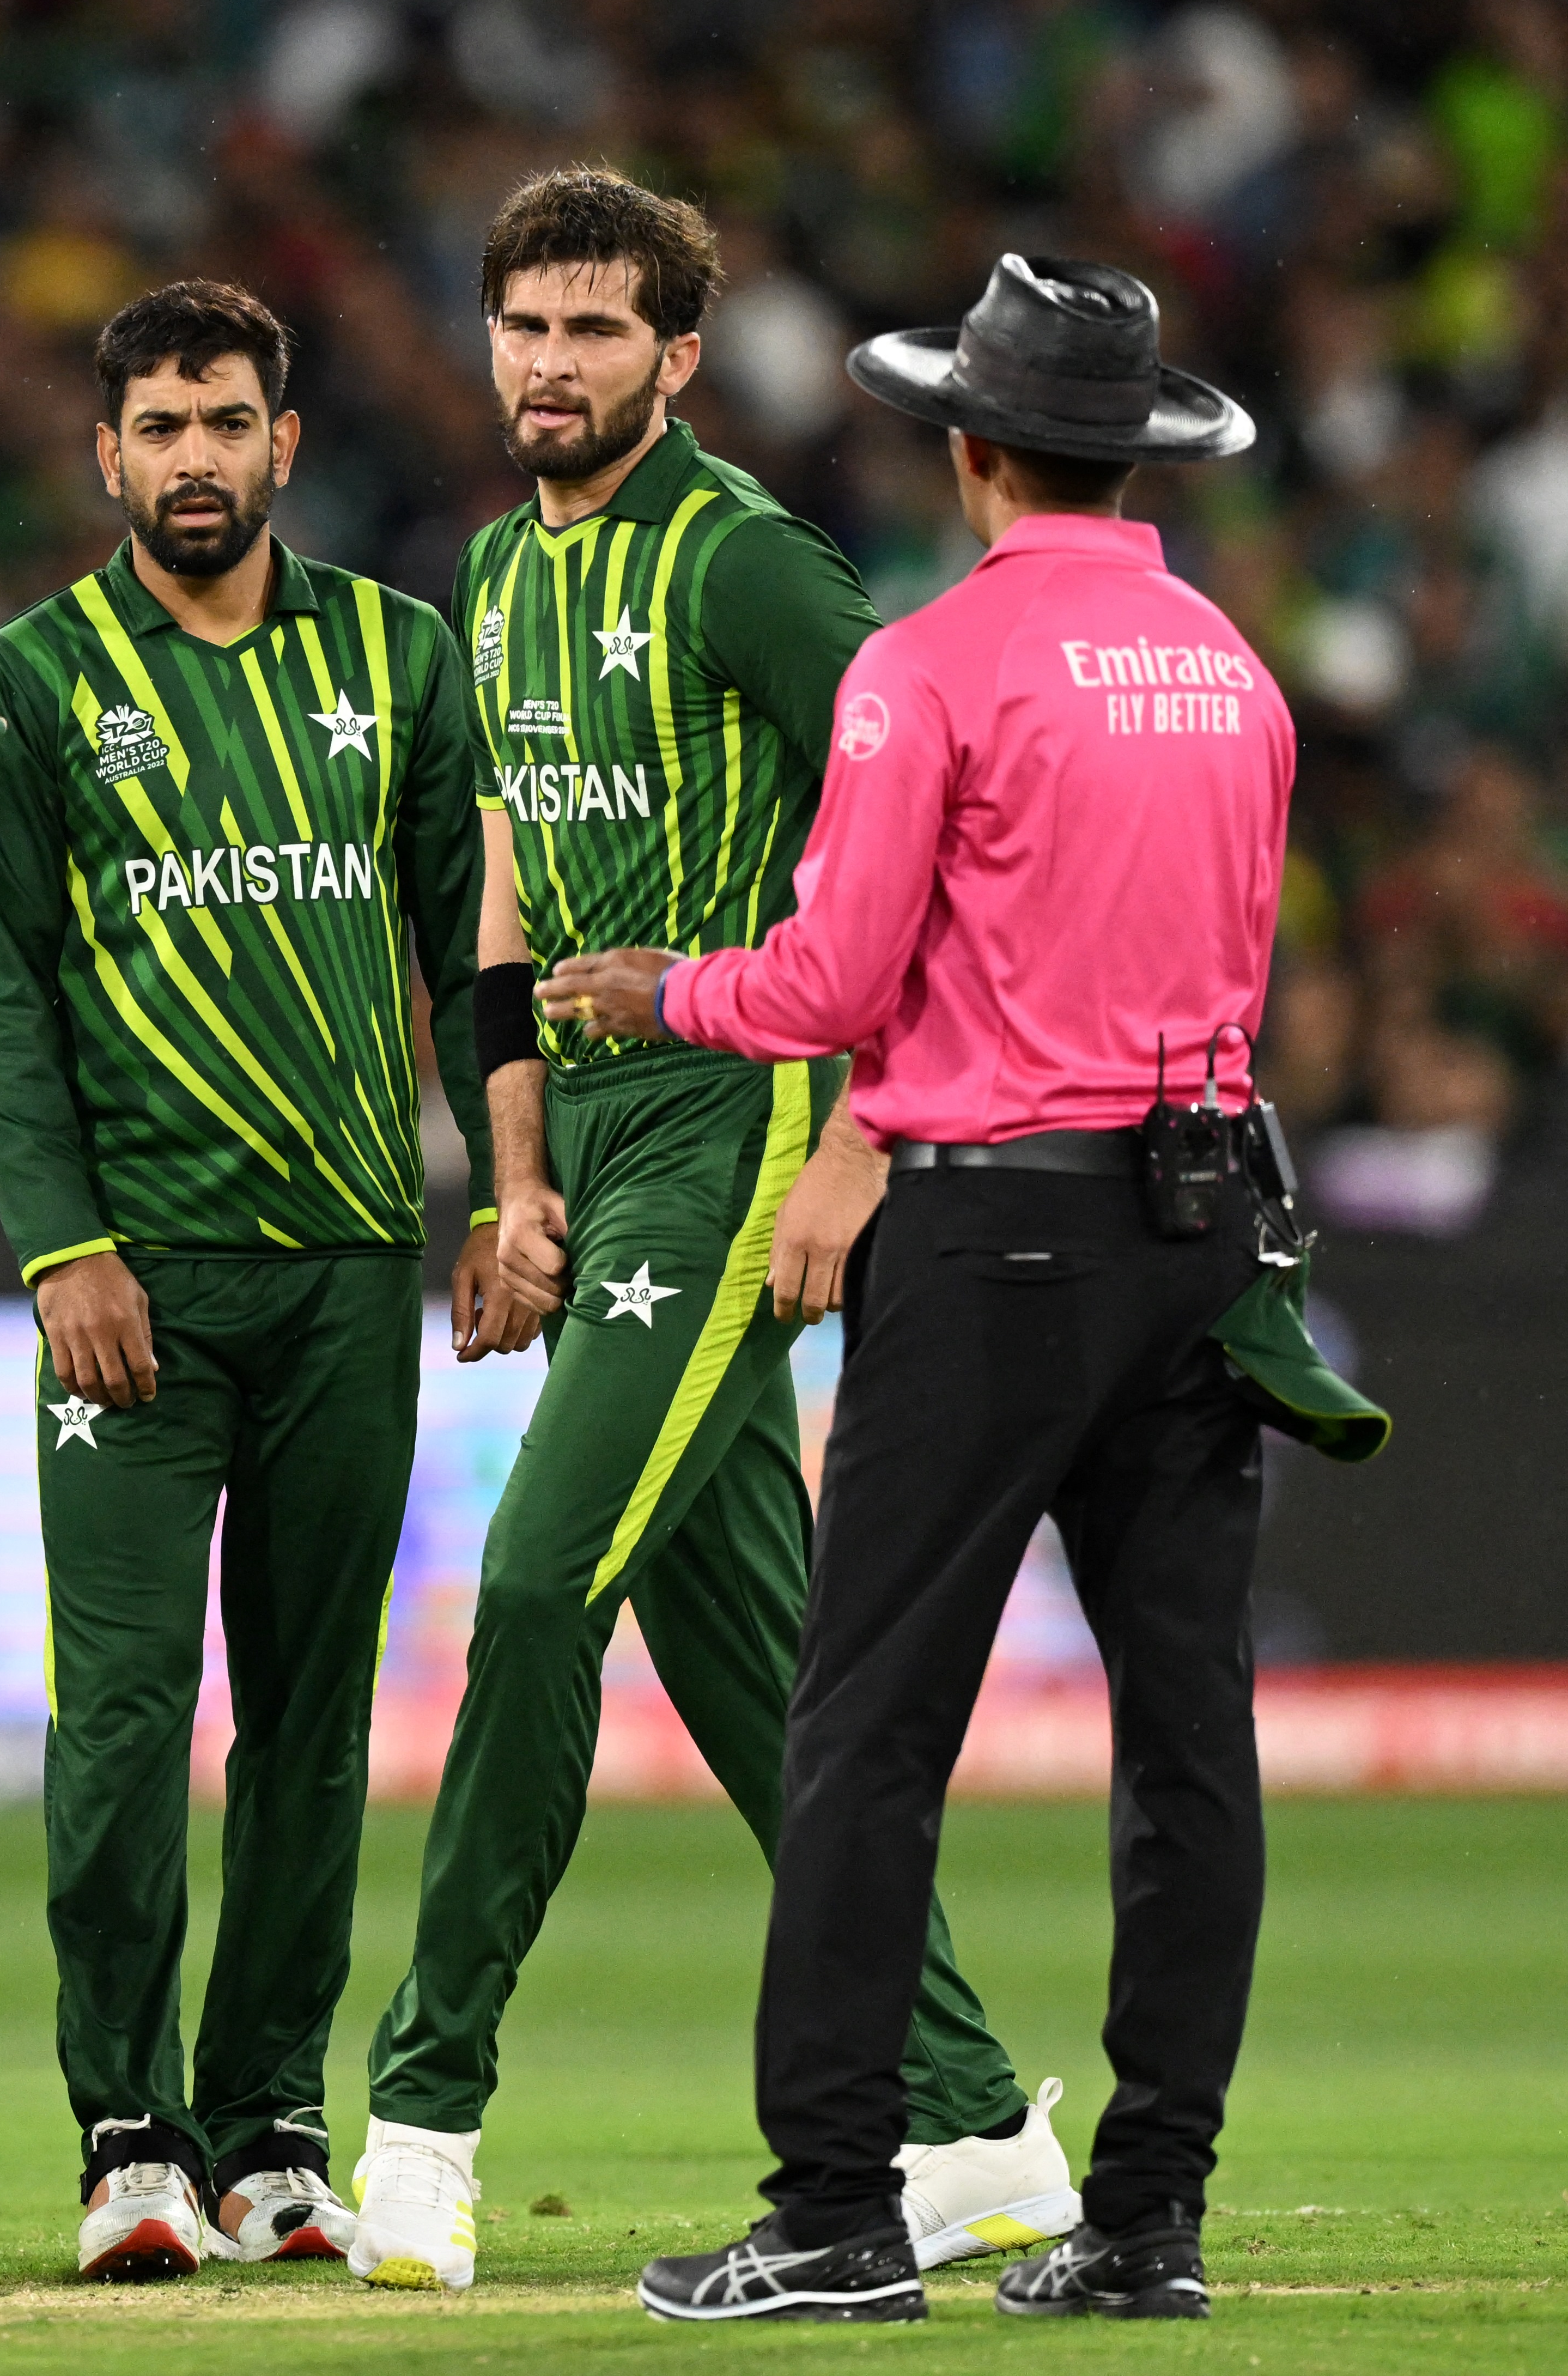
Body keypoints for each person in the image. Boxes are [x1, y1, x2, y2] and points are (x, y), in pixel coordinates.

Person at [550, 258, 1357, 2325]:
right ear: (1135, 452)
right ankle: (1147, 2219)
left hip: (995, 1235)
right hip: (1205, 1232)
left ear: (974, 448)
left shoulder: (927, 664)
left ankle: (829, 2211)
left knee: (868, 1725)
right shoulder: (1235, 672)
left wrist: (665, 991)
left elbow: (826, 988)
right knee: (1189, 1744)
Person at [350, 171, 1068, 2292]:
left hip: (752, 1112)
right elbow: (500, 894)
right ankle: (969, 2124)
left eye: (597, 330)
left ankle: (422, 2114)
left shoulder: (748, 570)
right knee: (748, 1653)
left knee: (548, 1576)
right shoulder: (489, 574)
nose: (551, 364)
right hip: (592, 1129)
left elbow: (931, 821)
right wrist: (509, 1173)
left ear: (680, 360)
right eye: (524, 327)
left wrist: (868, 1139)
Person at [0, 279, 497, 2282]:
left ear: (284, 439)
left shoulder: (397, 656)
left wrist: (509, 1189)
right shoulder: (27, 681)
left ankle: (267, 2128)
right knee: (118, 1721)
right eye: (157, 429)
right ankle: (125, 2131)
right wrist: (63, 1245)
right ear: (106, 456)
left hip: (348, 1262)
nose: (193, 459)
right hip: (136, 1287)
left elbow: (471, 947)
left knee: (315, 1724)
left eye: (225, 423)